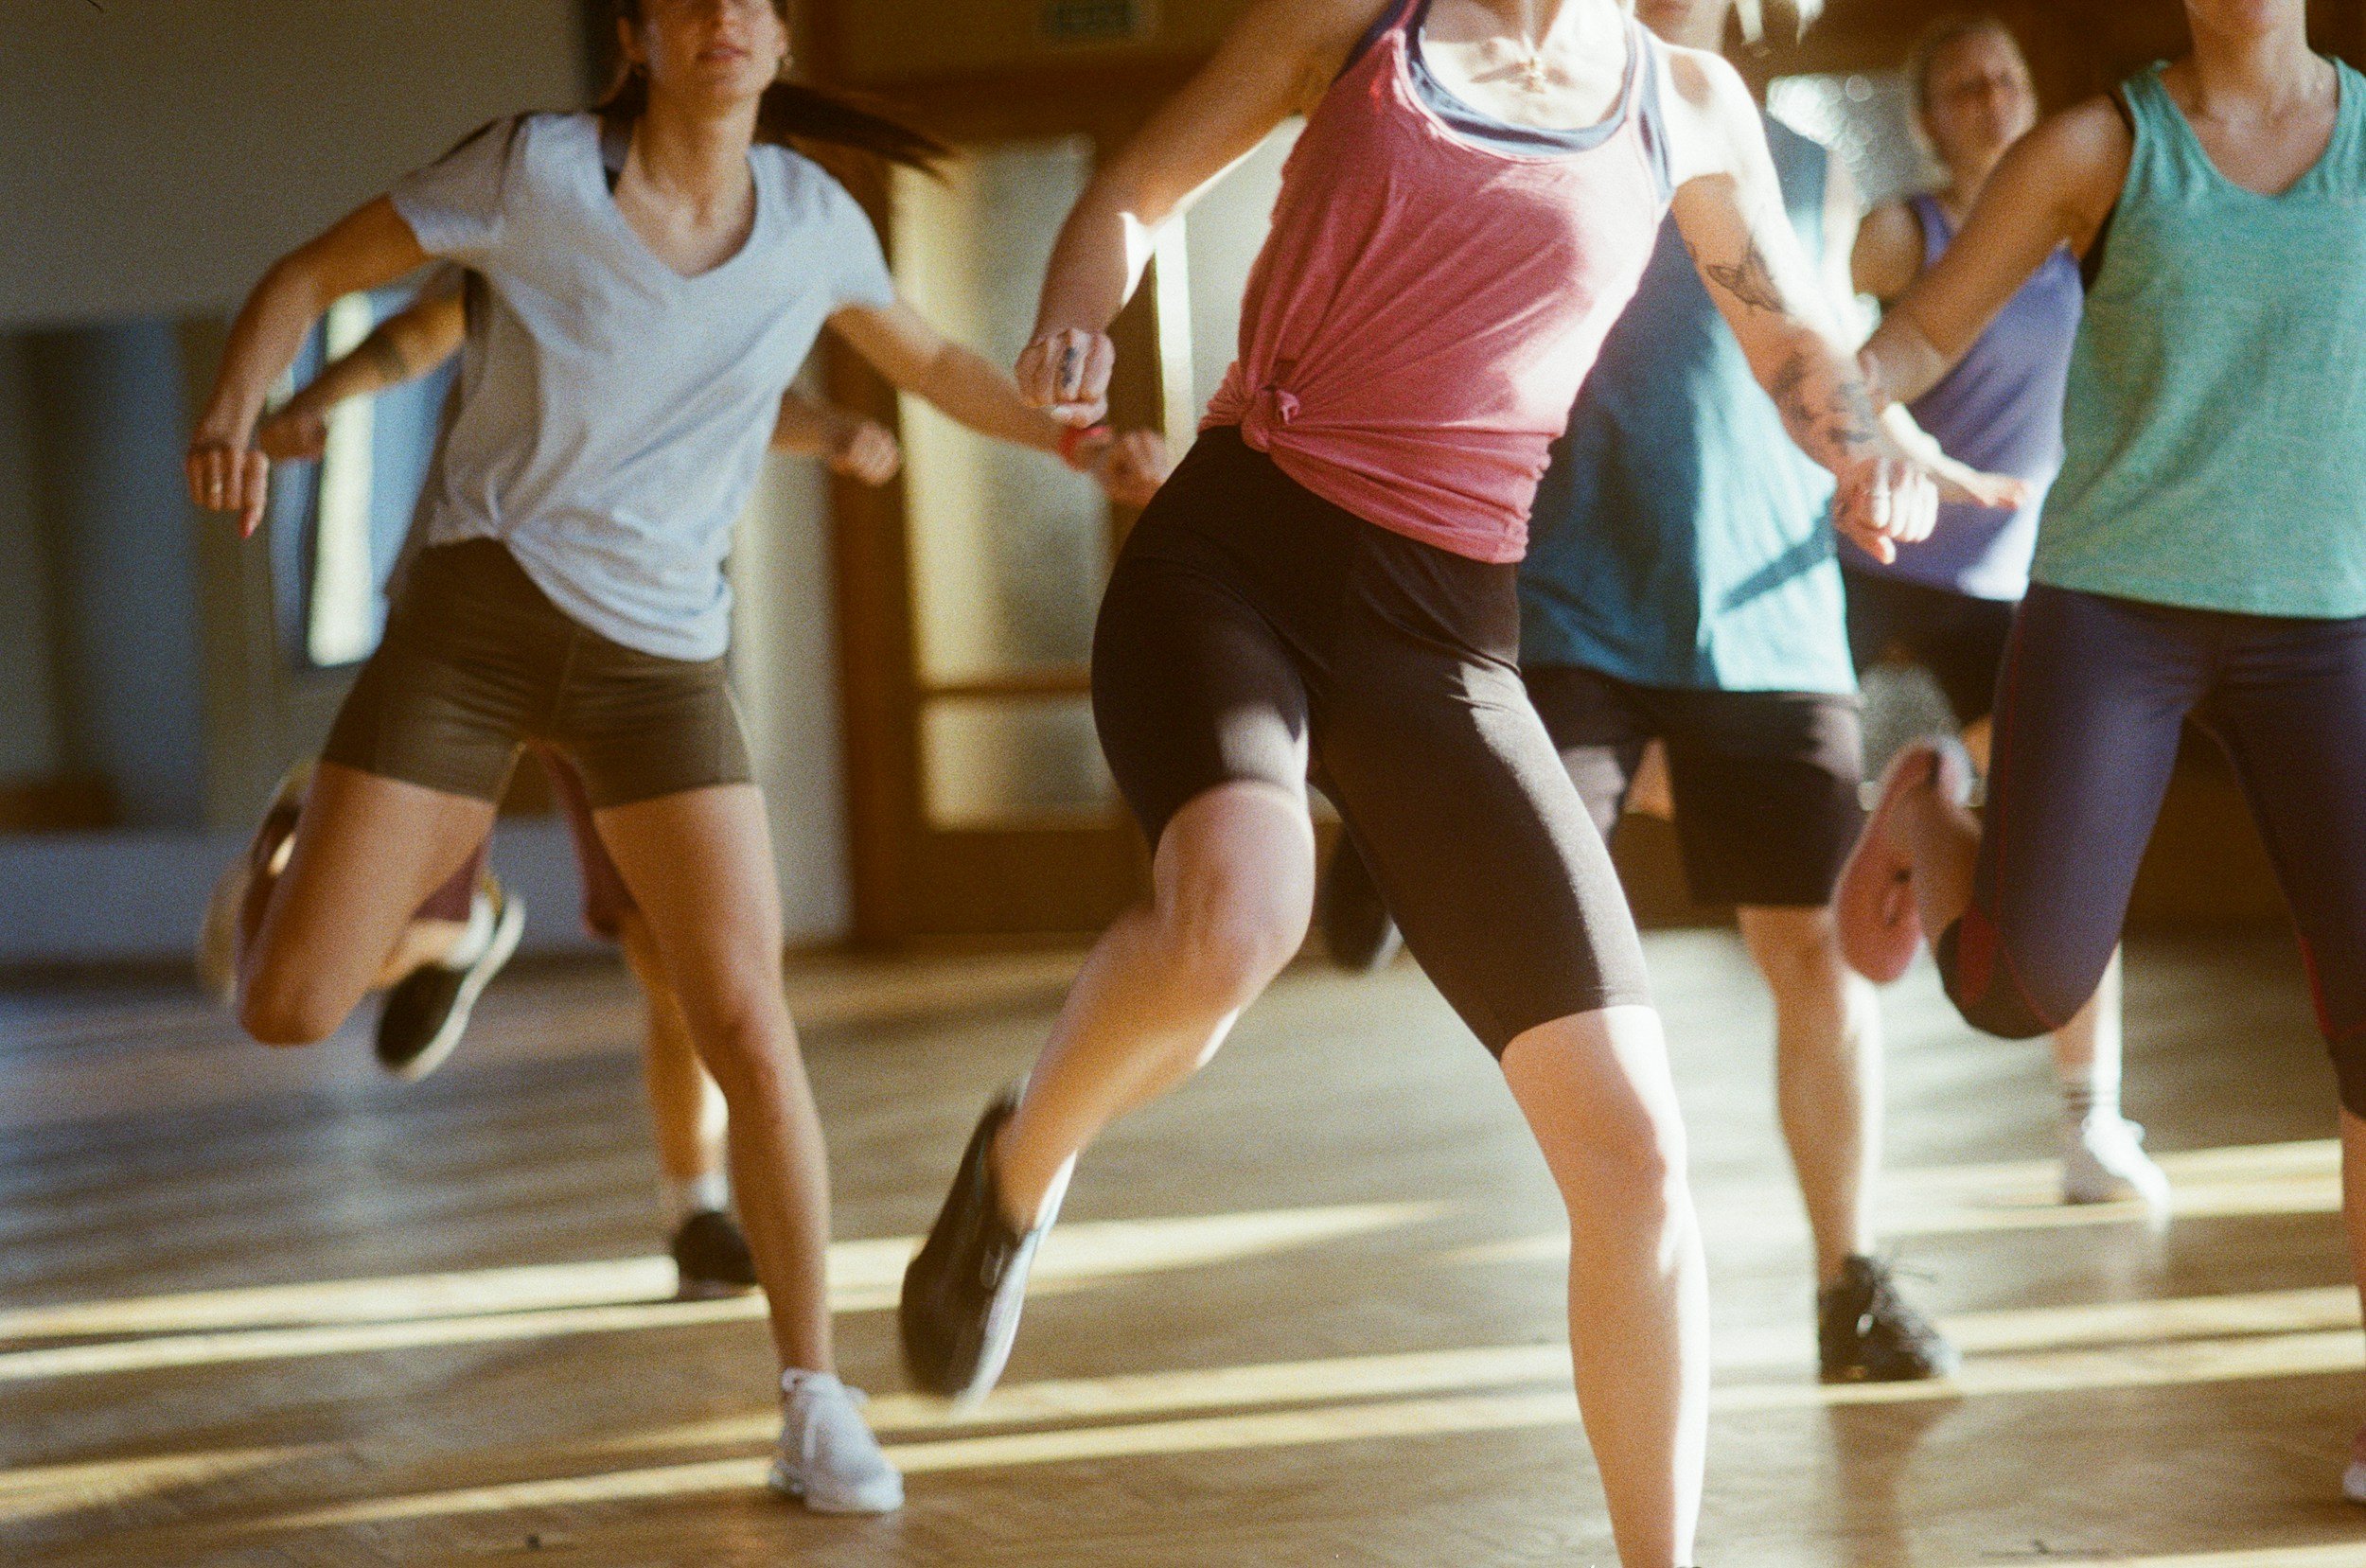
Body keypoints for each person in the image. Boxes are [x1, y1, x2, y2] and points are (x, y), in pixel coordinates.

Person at [895, 0, 2017, 1559]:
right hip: (1239, 564)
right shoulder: (1358, 28)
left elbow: (1790, 342)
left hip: (1449, 640)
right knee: (1238, 919)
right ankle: (1017, 1175)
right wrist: (1076, 320)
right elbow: (1132, 193)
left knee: (1634, 1152)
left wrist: (1862, 446)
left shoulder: (1683, 101)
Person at [185, 0, 1156, 1515]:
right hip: (472, 628)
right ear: (637, 37)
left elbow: (942, 361)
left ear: (782, 42)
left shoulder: (818, 224)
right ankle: (311, 825)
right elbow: (318, 274)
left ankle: (814, 1401)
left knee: (747, 1023)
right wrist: (247, 404)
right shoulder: (536, 175)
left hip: (660, 666)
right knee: (291, 1007)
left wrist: (1082, 448)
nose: (729, 19)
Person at [1315, 0, 1955, 1384]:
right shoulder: (1518, 110)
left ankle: (1851, 1278)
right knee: (1537, 938)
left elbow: (1828, 353)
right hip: (1567, 596)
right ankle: (1379, 818)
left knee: (1818, 952)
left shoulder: (1793, 159)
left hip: (1766, 606)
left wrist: (1888, 456)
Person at [1830, 0, 2366, 1504]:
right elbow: (1920, 335)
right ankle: (1933, 798)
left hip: (2331, 622)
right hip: (2117, 610)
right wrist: (1849, 426)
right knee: (2018, 988)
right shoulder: (2097, 146)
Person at [198, 271, 918, 1297]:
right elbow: (416, 330)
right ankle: (439, 909)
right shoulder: (531, 228)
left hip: (628, 647)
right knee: (382, 953)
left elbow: (732, 403)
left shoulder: (699, 276)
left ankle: (693, 1212)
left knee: (669, 958)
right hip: (462, 640)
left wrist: (833, 428)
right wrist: (315, 399)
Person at [1848, 12, 2167, 1210]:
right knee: (1801, 804)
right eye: (1963, 88)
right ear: (1929, 117)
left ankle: (2093, 1124)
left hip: (2013, 591)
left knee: (2067, 848)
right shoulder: (1904, 232)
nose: (1990, 101)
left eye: (2006, 81)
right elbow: (1813, 318)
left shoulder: (2080, 226)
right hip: (1881, 570)